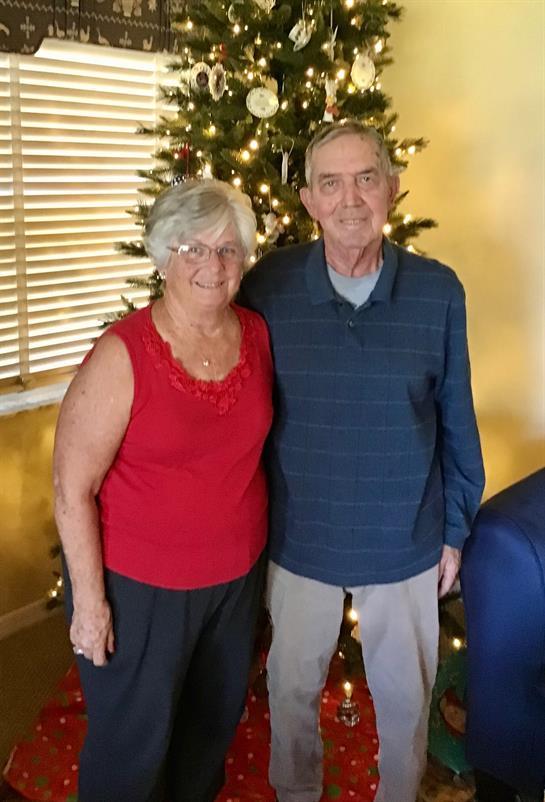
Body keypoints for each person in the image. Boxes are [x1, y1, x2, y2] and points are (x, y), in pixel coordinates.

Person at [240, 120, 485, 802]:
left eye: (365, 178)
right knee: (289, 696)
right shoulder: (267, 286)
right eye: (330, 183)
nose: (350, 198)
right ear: (308, 202)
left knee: (406, 705)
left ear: (393, 190)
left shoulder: (438, 292)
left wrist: (455, 531)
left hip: (405, 541)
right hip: (300, 540)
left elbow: (456, 420)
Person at [53, 179, 273, 802]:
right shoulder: (124, 355)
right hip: (139, 589)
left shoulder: (256, 334)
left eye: (228, 250)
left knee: (208, 733)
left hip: (234, 583)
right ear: (163, 255)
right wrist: (91, 607)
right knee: (132, 748)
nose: (212, 265)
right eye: (193, 249)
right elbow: (72, 487)